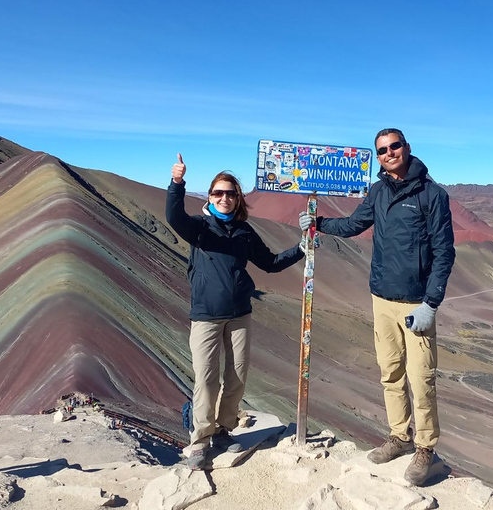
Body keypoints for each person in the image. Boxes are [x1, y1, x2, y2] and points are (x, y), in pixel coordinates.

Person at [300, 128, 455, 486]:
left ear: (407, 148)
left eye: (394, 146)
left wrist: (431, 303)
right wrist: (319, 224)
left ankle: (425, 449)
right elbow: (356, 223)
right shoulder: (378, 191)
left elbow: (445, 253)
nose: (389, 153)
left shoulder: (432, 195)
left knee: (422, 379)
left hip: (416, 303)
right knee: (391, 373)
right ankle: (400, 437)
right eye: (382, 150)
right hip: (381, 299)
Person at [167, 153, 306, 471]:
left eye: (230, 193)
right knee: (206, 380)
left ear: (238, 198)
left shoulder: (244, 232)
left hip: (240, 315)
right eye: (218, 192)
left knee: (237, 377)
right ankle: (199, 441)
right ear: (210, 197)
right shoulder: (200, 229)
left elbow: (269, 263)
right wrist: (177, 183)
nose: (224, 198)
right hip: (206, 317)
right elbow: (174, 217)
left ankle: (222, 430)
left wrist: (301, 248)